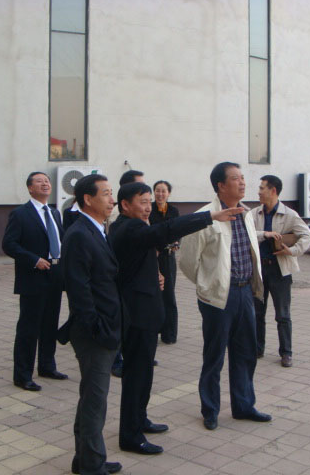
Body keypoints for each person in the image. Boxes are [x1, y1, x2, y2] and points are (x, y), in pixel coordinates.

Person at [110, 182, 242, 454]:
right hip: (136, 316)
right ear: (124, 205)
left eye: (149, 202)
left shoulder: (134, 226)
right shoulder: (128, 227)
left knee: (144, 373)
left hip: (145, 313)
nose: (148, 207)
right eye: (142, 202)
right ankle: (130, 436)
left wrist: (154, 273)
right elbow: (166, 230)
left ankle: (140, 419)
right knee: (136, 376)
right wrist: (209, 217)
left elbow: (144, 252)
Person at [179, 162, 271, 430]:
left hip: (245, 292)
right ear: (220, 185)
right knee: (215, 355)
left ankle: (244, 406)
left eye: (242, 177)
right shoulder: (204, 217)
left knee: (245, 353)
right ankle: (210, 409)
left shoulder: (245, 213)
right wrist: (208, 285)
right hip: (218, 297)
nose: (242, 182)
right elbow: (187, 261)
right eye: (235, 178)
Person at [61, 174, 122, 475]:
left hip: (104, 326)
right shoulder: (79, 234)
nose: (112, 199)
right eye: (107, 194)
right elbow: (78, 288)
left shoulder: (97, 229)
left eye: (112, 193)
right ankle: (92, 466)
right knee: (95, 401)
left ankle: (85, 459)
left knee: (91, 398)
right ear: (88, 199)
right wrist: (97, 327)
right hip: (94, 333)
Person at [2, 172, 67, 392]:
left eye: (47, 181)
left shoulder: (55, 212)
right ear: (30, 188)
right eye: (39, 181)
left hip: (55, 274)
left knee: (50, 324)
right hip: (33, 277)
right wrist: (34, 260)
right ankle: (23, 375)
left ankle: (47, 366)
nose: (45, 183)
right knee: (29, 328)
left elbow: (60, 240)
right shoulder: (21, 214)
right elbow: (9, 244)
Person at [252, 175, 310, 365]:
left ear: (273, 191)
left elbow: (307, 236)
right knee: (257, 313)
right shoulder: (254, 213)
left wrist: (292, 251)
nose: (258, 192)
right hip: (258, 270)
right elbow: (247, 233)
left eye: (262, 188)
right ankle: (257, 349)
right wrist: (265, 234)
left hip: (280, 271)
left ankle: (286, 353)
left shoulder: (289, 215)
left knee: (283, 315)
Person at [108, 169, 145, 378]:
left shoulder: (139, 211)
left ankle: (134, 353)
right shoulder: (119, 215)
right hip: (123, 275)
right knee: (121, 320)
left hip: (136, 275)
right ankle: (116, 360)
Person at [149, 180, 180, 344]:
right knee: (154, 294)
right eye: (157, 191)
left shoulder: (174, 211)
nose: (160, 194)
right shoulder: (149, 209)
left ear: (169, 193)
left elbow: (178, 231)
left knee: (169, 295)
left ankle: (169, 334)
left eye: (163, 191)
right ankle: (153, 330)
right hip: (152, 257)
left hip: (168, 257)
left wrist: (176, 243)